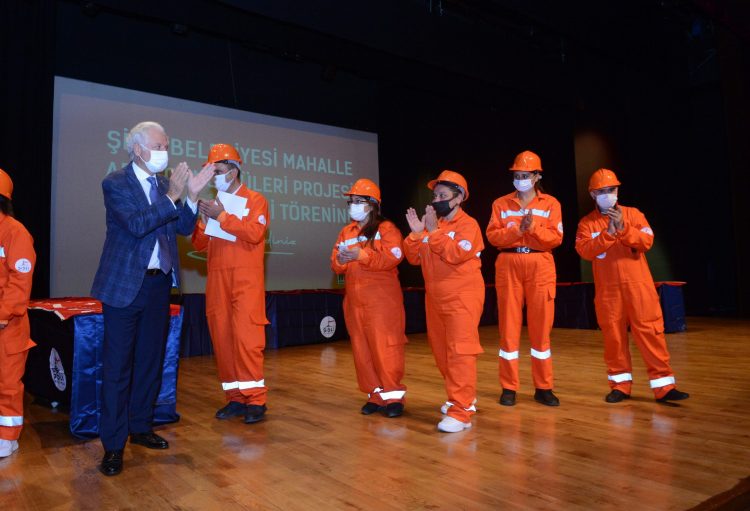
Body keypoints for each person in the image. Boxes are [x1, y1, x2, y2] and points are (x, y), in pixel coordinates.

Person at [91, 121, 213, 476]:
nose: (165, 152)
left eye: (167, 145)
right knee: (117, 368)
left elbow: (184, 228)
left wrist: (189, 196)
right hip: (124, 288)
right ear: (139, 150)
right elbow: (136, 223)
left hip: (160, 286)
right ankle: (113, 446)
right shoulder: (115, 182)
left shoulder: (164, 185)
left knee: (149, 360)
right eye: (160, 146)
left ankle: (140, 426)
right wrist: (174, 196)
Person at [575, 168, 689, 404]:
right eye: (601, 191)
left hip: (639, 287)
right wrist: (607, 234)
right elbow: (584, 250)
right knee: (613, 338)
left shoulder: (634, 214)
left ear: (617, 191)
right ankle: (620, 386)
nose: (607, 194)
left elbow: (646, 241)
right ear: (592, 194)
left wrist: (624, 228)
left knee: (651, 333)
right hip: (608, 292)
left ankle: (664, 387)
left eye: (611, 190)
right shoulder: (587, 223)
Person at [191, 144, 270, 424]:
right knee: (223, 340)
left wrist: (222, 216)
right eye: (212, 173)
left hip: (245, 281)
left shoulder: (255, 200)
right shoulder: (213, 205)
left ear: (234, 170)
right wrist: (202, 222)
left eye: (219, 171)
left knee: (247, 340)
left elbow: (254, 232)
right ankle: (235, 399)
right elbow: (199, 245)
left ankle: (256, 400)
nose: (215, 178)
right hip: (217, 281)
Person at [404, 170, 484, 433]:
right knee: (441, 353)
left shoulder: (468, 225)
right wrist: (417, 235)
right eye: (435, 194)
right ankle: (463, 398)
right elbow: (414, 258)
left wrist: (433, 232)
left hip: (462, 295)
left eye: (443, 195)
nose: (436, 199)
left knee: (460, 352)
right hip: (435, 296)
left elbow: (455, 254)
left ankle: (460, 412)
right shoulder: (432, 225)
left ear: (459, 198)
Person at [486, 150, 562, 407]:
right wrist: (515, 230)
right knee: (508, 329)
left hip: (540, 263)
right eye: (517, 175)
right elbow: (493, 237)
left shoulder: (551, 204)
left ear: (537, 176)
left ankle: (544, 387)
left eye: (525, 175)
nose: (520, 179)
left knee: (541, 330)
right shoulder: (500, 204)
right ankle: (509, 387)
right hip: (508, 263)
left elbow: (556, 239)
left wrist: (533, 228)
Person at [331, 178, 407, 418]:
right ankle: (375, 396)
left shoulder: (387, 229)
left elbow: (392, 257)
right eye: (351, 201)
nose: (352, 205)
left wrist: (361, 255)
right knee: (362, 351)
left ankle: (393, 397)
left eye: (358, 201)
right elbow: (335, 262)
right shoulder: (346, 231)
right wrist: (341, 260)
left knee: (385, 349)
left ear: (372, 204)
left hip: (382, 301)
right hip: (354, 301)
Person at [0, 168, 36, 458]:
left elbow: (19, 281)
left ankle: (7, 437)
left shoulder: (15, 232)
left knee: (8, 382)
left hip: (7, 326)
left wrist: (2, 315)